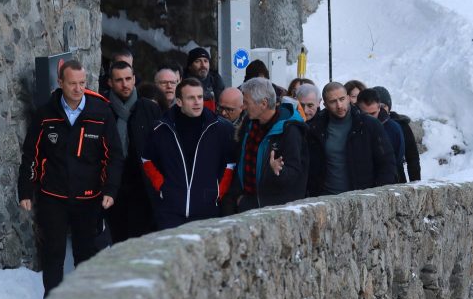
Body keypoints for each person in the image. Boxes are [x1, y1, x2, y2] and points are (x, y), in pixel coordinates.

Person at [18, 60, 123, 297]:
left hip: (89, 197)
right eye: (73, 84)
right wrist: (25, 189)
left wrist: (110, 189)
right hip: (53, 196)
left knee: (85, 253)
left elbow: (114, 156)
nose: (78, 89)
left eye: (82, 83)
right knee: (53, 253)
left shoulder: (100, 112)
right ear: (61, 83)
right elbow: (31, 153)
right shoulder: (46, 114)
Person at [142, 78, 236, 229]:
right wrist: (162, 187)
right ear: (179, 102)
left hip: (206, 209)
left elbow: (230, 165)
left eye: (200, 97)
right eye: (191, 98)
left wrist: (218, 192)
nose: (197, 102)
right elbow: (147, 160)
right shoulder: (160, 128)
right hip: (170, 211)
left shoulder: (220, 129)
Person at [229, 77, 309, 212]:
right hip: (247, 204)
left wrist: (279, 171)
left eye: (246, 102)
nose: (243, 107)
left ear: (264, 103)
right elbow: (241, 162)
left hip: (274, 211)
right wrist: (238, 199)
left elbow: (296, 175)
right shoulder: (249, 124)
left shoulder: (289, 130)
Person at [306, 82, 395, 196]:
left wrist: (377, 195)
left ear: (348, 98)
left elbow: (387, 162)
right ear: (325, 104)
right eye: (333, 101)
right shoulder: (315, 128)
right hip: (326, 198)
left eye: (342, 99)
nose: (339, 105)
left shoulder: (369, 125)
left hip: (362, 199)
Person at [105, 61, 161, 242]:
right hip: (114, 188)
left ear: (134, 79)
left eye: (128, 79)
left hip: (143, 188)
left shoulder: (149, 108)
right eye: (119, 80)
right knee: (118, 241)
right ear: (110, 83)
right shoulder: (102, 109)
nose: (125, 84)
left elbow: (161, 148)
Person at [373, 86, 420, 182]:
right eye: (377, 106)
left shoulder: (401, 125)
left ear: (389, 107)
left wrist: (415, 184)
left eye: (383, 106)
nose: (380, 110)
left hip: (398, 179)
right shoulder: (366, 125)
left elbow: (412, 158)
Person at [357, 88, 404, 182]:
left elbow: (397, 159)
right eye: (366, 114)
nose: (370, 118)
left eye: (373, 113)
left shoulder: (393, 128)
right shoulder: (353, 127)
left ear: (379, 108)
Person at [186, 46, 225, 112]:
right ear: (190, 66)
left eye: (206, 61)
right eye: (198, 61)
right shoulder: (183, 82)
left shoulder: (216, 80)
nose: (203, 65)